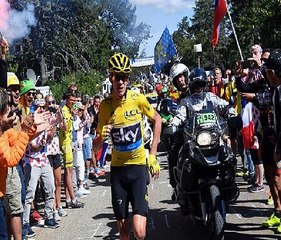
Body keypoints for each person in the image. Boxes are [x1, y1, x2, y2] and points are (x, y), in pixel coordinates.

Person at [92, 52, 162, 240]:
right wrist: (101, 136)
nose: (120, 82)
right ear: (111, 78)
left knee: (139, 232)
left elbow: (158, 119)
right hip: (118, 171)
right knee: (123, 231)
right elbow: (95, 148)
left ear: (128, 79)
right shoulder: (105, 106)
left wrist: (153, 155)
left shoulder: (137, 98)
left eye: (123, 77)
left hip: (138, 167)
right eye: (116, 77)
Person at [260, 50, 281, 232]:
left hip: (278, 142)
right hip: (272, 139)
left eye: (267, 70)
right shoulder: (275, 91)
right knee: (272, 177)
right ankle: (278, 212)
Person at [59, 91, 85, 208]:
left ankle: (69, 199)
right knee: (69, 173)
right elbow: (64, 128)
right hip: (65, 144)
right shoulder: (64, 111)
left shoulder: (69, 111)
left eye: (74, 101)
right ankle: (73, 199)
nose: (73, 103)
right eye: (71, 101)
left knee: (68, 172)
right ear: (66, 100)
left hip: (69, 143)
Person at [45, 94, 68, 221]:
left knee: (58, 181)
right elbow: (50, 135)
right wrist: (54, 122)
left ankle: (59, 205)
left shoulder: (55, 116)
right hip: (47, 153)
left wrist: (59, 114)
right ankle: (52, 208)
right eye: (49, 102)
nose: (52, 104)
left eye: (53, 101)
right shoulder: (45, 117)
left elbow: (65, 128)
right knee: (51, 184)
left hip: (56, 151)